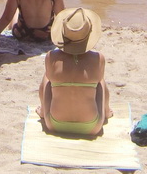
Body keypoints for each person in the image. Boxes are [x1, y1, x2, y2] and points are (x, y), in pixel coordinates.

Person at [37, 8, 111, 138]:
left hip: (54, 124)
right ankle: (106, 111)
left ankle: (43, 111)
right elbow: (101, 88)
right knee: (99, 81)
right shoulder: (98, 59)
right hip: (92, 127)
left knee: (48, 79)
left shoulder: (51, 57)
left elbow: (47, 85)